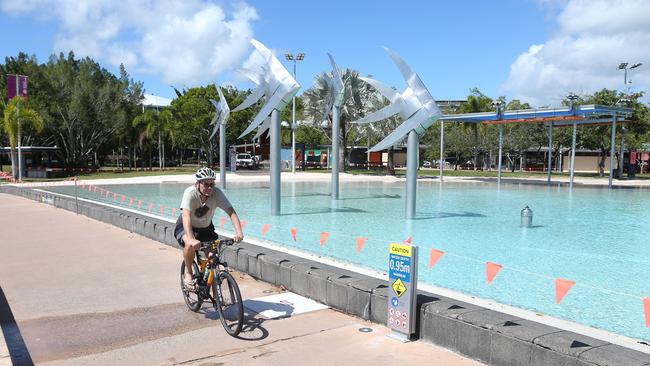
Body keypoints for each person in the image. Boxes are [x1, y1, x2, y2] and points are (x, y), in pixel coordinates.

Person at [175, 167, 243, 290]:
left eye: (212, 184)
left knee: (213, 258)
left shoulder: (216, 193)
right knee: (189, 245)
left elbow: (231, 212)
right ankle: (189, 272)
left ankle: (212, 290)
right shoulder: (190, 193)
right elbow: (186, 216)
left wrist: (239, 232)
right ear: (198, 184)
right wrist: (191, 239)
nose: (210, 188)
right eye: (206, 184)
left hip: (206, 228)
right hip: (186, 226)